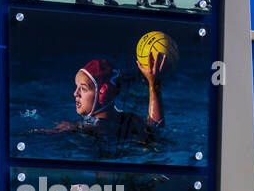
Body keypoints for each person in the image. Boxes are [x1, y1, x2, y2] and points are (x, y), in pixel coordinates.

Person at [29, 52, 166, 156]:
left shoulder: (85, 128)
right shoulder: (132, 120)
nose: (75, 93)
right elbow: (156, 129)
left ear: (103, 93)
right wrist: (154, 84)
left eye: (83, 88)